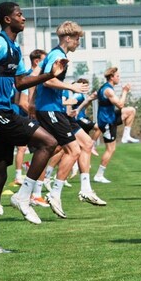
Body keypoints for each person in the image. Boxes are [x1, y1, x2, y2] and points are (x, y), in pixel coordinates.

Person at [0, 2, 66, 253]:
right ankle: (23, 196)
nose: (24, 17)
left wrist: (48, 75)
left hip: (1, 113)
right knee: (49, 142)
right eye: (19, 14)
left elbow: (20, 82)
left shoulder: (13, 48)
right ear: (7, 19)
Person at [33, 21, 90, 218]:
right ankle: (53, 193)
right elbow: (48, 80)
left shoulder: (59, 55)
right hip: (49, 110)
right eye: (77, 39)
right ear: (67, 38)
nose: (78, 42)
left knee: (54, 149)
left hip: (53, 109)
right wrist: (71, 87)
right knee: (73, 149)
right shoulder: (58, 56)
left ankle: (32, 192)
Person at [93, 67, 137, 183]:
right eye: (117, 76)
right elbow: (121, 105)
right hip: (106, 122)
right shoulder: (108, 90)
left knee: (131, 110)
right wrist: (125, 91)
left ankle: (126, 135)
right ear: (111, 77)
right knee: (110, 149)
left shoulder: (106, 88)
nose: (119, 78)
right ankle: (99, 175)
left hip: (111, 117)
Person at [14, 49, 46, 186]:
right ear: (37, 61)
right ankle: (24, 179)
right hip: (28, 120)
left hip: (29, 119)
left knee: (46, 148)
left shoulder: (34, 77)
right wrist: (36, 115)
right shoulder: (29, 78)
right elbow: (21, 102)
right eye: (45, 60)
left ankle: (28, 174)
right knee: (43, 148)